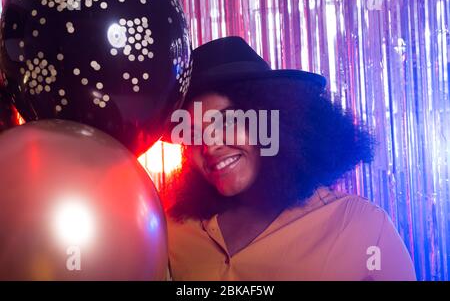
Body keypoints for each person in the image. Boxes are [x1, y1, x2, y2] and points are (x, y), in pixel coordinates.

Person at [162, 36, 416, 280]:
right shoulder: (173, 233)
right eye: (194, 134)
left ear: (277, 121)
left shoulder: (362, 227)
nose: (209, 145)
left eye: (227, 121)